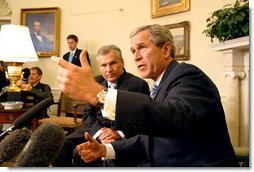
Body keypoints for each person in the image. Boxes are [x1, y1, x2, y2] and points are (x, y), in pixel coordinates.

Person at [51, 24, 239, 167]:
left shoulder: (188, 75)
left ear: (165, 50)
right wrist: (103, 149)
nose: (136, 56)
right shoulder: (160, 85)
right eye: (133, 51)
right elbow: (148, 139)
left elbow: (174, 117)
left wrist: (99, 94)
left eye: (142, 47)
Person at [52, 45, 150, 167]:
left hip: (119, 133)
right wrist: (99, 132)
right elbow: (88, 114)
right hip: (94, 130)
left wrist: (118, 133)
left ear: (122, 63)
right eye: (104, 65)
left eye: (113, 63)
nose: (109, 69)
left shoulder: (138, 85)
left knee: (83, 154)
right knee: (61, 147)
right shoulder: (95, 82)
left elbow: (143, 120)